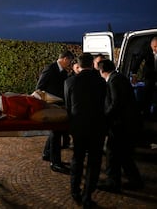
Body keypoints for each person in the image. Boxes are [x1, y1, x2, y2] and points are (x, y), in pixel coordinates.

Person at [64, 53, 107, 208]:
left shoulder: (70, 82)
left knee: (77, 158)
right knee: (94, 162)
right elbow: (105, 105)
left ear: (79, 65)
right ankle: (87, 195)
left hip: (79, 126)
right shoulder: (101, 82)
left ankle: (75, 191)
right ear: (92, 64)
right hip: (97, 126)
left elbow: (68, 107)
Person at [97, 59, 143, 193]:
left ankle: (113, 183)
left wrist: (105, 116)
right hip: (126, 123)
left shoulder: (114, 80)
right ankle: (135, 181)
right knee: (124, 155)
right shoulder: (119, 78)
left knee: (112, 153)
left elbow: (116, 102)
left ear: (102, 70)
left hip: (120, 124)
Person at [36, 50, 74, 174]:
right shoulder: (50, 69)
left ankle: (47, 154)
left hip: (59, 106)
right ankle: (55, 163)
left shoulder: (63, 72)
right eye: (69, 61)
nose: (70, 64)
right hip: (51, 105)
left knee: (55, 132)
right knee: (56, 133)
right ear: (64, 59)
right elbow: (39, 87)